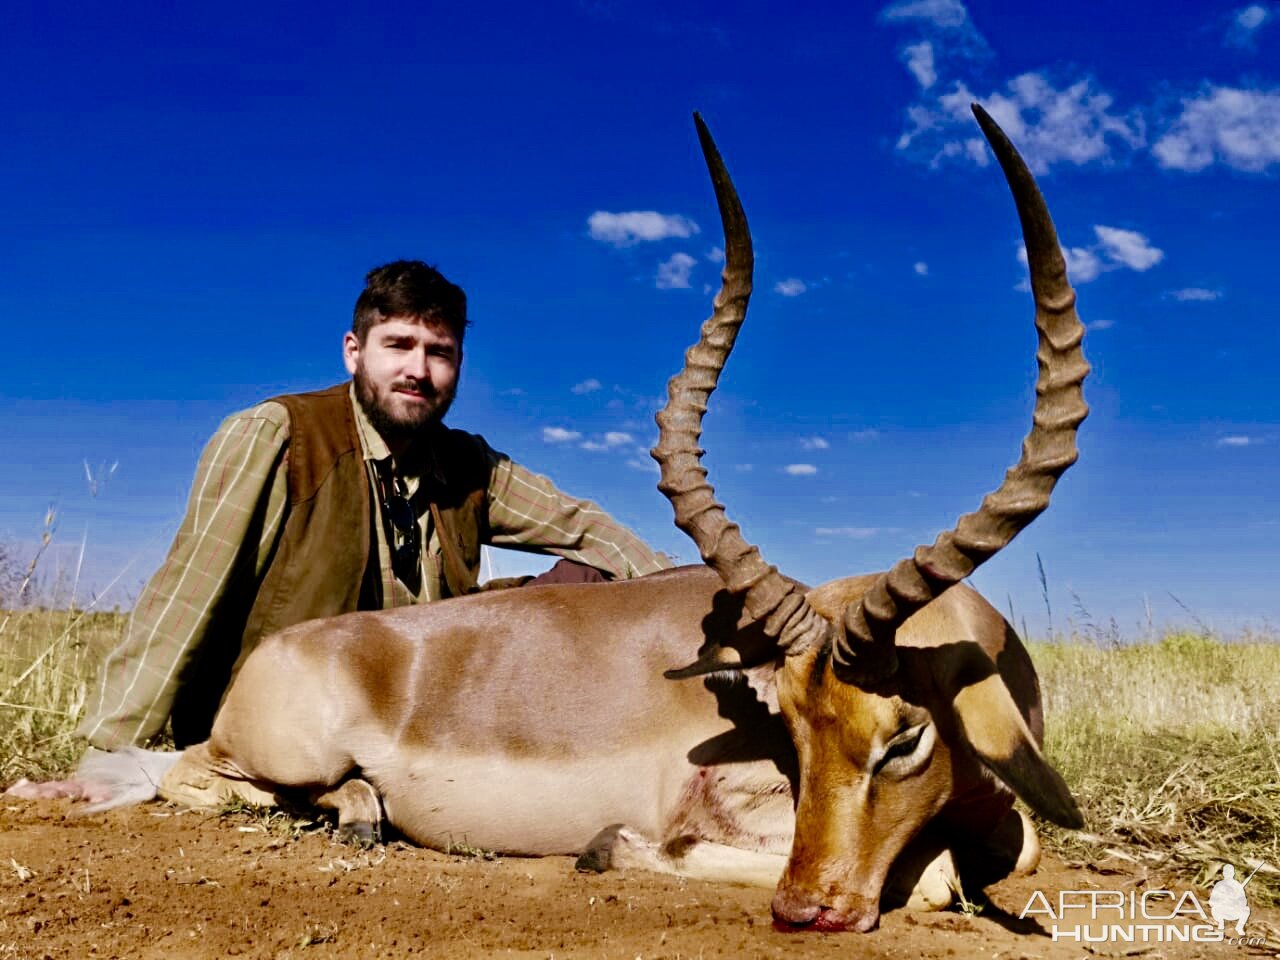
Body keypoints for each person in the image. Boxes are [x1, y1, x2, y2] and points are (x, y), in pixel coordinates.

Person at [10, 260, 670, 802]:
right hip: (289, 715)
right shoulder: (279, 435)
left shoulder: (469, 463)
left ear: (459, 365)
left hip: (414, 719)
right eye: (400, 346)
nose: (419, 369)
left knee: (593, 583)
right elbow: (184, 596)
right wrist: (105, 753)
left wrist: (698, 594)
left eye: (440, 352)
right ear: (354, 351)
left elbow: (588, 529)